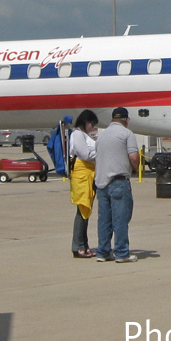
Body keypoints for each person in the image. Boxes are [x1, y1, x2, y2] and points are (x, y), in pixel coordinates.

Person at [93, 107, 139, 263]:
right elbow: (133, 156)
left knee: (104, 220)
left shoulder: (102, 135)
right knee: (120, 218)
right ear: (126, 120)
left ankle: (103, 252)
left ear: (113, 119)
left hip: (101, 182)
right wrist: (136, 168)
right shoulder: (127, 133)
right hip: (118, 181)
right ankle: (121, 253)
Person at [68, 110, 99, 258]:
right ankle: (78, 245)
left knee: (85, 211)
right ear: (86, 122)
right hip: (82, 174)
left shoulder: (84, 135)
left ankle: (84, 244)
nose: (93, 127)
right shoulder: (77, 134)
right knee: (82, 209)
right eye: (92, 124)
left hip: (89, 173)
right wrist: (101, 153)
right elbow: (85, 154)